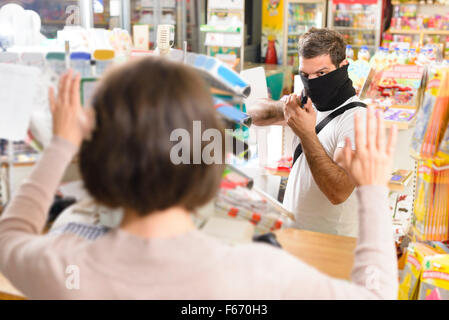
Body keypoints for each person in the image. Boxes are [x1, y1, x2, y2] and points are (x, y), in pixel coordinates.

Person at [0, 57, 398, 299]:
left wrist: (61, 145)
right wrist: (373, 189)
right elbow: (376, 293)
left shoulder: (67, 270)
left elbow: (11, 236)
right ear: (211, 165)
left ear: (94, 167)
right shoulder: (258, 276)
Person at [248, 28, 367, 237]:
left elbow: (339, 191)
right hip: (295, 236)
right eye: (305, 75)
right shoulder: (309, 102)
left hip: (330, 245)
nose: (313, 82)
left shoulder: (357, 118)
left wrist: (306, 133)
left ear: (343, 66)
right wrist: (284, 106)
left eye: (322, 73)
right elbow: (255, 115)